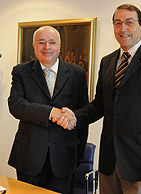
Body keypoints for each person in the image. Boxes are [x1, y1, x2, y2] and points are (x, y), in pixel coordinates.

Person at [55, 4, 141, 194]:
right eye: (118, 23)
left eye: (129, 23)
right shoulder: (108, 61)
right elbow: (99, 104)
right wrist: (75, 116)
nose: (123, 29)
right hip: (109, 161)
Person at [8, 26, 88, 194]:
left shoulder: (77, 74)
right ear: (34, 45)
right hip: (29, 157)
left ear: (60, 45)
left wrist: (78, 154)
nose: (47, 47)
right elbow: (16, 105)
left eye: (52, 42)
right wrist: (52, 112)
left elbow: (82, 116)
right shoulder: (21, 71)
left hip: (64, 157)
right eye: (41, 42)